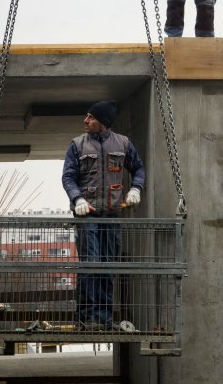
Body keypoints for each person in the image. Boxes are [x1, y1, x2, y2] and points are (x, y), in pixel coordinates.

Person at [61, 100, 145, 330]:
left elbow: (138, 168)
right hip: (88, 214)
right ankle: (86, 318)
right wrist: (77, 199)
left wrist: (136, 188)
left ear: (104, 123)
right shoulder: (77, 145)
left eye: (91, 118)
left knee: (108, 267)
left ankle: (104, 319)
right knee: (90, 265)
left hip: (111, 216)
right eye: (86, 117)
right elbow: (68, 177)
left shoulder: (123, 144)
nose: (85, 121)